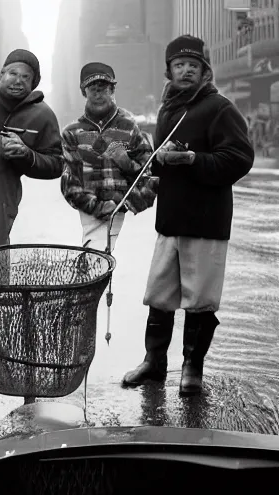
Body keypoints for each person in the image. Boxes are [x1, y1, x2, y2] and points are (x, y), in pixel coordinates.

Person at [122, 35, 254, 395]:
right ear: (169, 70)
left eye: (192, 66)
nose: (185, 71)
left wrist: (194, 159)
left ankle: (192, 369)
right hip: (170, 221)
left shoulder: (220, 107)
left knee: (199, 299)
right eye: (179, 65)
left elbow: (240, 158)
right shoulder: (167, 110)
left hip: (206, 221)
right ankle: (154, 363)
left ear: (204, 71)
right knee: (160, 295)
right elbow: (159, 167)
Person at [0, 49, 63, 250]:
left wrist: (27, 155)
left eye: (26, 77)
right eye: (13, 74)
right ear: (1, 75)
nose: (18, 81)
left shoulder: (42, 116)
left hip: (0, 208)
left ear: (33, 83)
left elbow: (57, 165)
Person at [60, 62, 158, 253]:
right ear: (84, 93)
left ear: (112, 90)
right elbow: (69, 183)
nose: (98, 94)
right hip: (90, 215)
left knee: (117, 267)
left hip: (128, 214)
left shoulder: (130, 127)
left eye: (103, 88)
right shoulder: (71, 133)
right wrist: (98, 207)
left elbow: (149, 175)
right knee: (94, 267)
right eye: (92, 89)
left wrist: (126, 166)